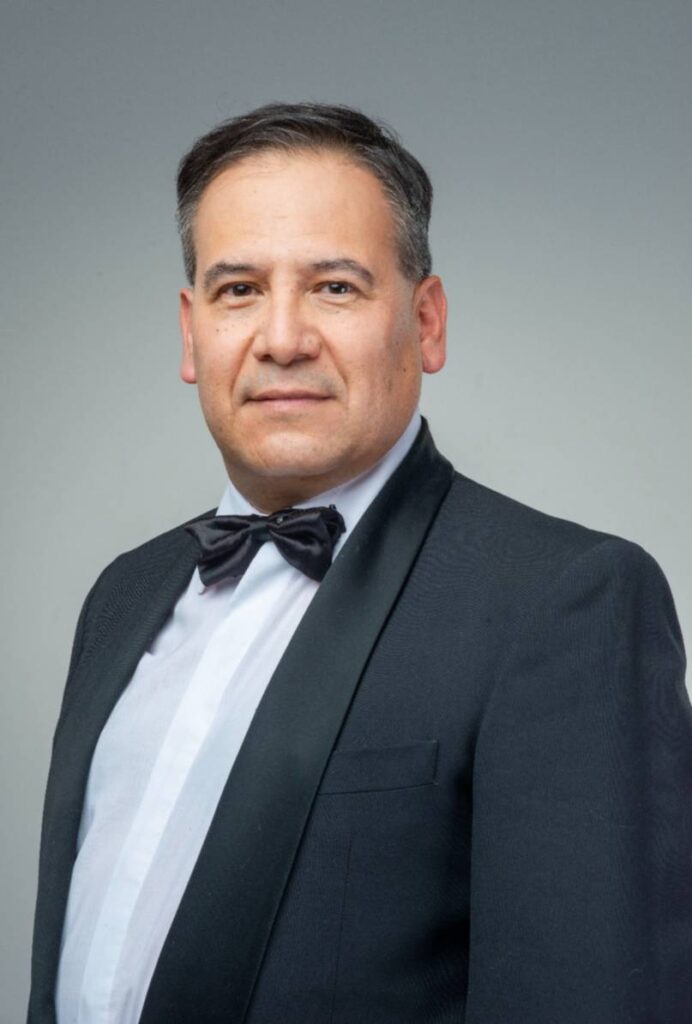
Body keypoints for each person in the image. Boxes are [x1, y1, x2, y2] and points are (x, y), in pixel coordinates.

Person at [27, 102, 692, 1024]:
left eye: (334, 287)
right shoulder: (123, 595)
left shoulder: (565, 601)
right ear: (190, 333)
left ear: (427, 322)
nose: (282, 338)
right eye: (238, 290)